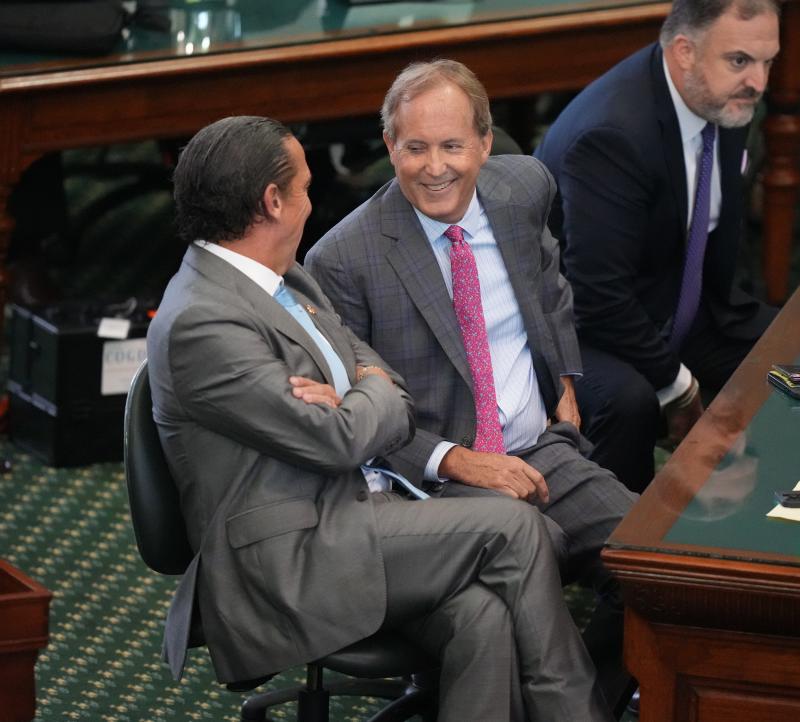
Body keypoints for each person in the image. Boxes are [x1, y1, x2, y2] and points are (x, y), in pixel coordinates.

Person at [147, 115, 612, 722]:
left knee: (482, 616)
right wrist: (366, 393)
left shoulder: (281, 274)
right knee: (513, 528)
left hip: (365, 513)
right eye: (308, 188)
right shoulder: (202, 322)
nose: (313, 204)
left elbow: (376, 372)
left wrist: (362, 390)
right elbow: (341, 437)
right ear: (272, 201)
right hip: (293, 558)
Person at [304, 60, 637, 715]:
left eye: (453, 146)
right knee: (529, 554)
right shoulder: (343, 259)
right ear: (390, 147)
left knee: (655, 564)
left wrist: (564, 380)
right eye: (415, 148)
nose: (436, 168)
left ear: (486, 144)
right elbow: (353, 419)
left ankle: (595, 697)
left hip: (541, 451)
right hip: (431, 484)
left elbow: (552, 289)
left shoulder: (523, 192)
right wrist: (457, 460)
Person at [534, 0, 780, 492]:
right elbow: (598, 300)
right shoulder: (613, 135)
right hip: (574, 327)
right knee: (631, 399)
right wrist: (680, 385)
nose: (759, 82)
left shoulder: (721, 97)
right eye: (740, 61)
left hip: (668, 300)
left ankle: (770, 505)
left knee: (796, 352)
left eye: (767, 62)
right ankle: (623, 548)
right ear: (685, 52)